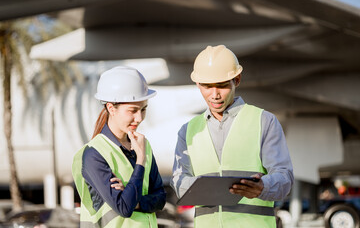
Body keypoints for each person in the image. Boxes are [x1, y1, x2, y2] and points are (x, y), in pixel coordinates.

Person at [171, 45, 294, 228]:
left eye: (221, 86)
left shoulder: (264, 121)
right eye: (207, 86)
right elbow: (178, 181)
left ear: (236, 79)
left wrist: (262, 187)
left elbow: (284, 179)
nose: (214, 95)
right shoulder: (188, 130)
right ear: (198, 84)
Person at [72, 66, 166, 227]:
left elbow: (160, 199)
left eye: (143, 109)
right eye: (132, 110)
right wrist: (140, 160)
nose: (139, 118)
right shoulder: (94, 154)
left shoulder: (143, 144)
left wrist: (134, 199)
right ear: (111, 108)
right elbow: (124, 207)